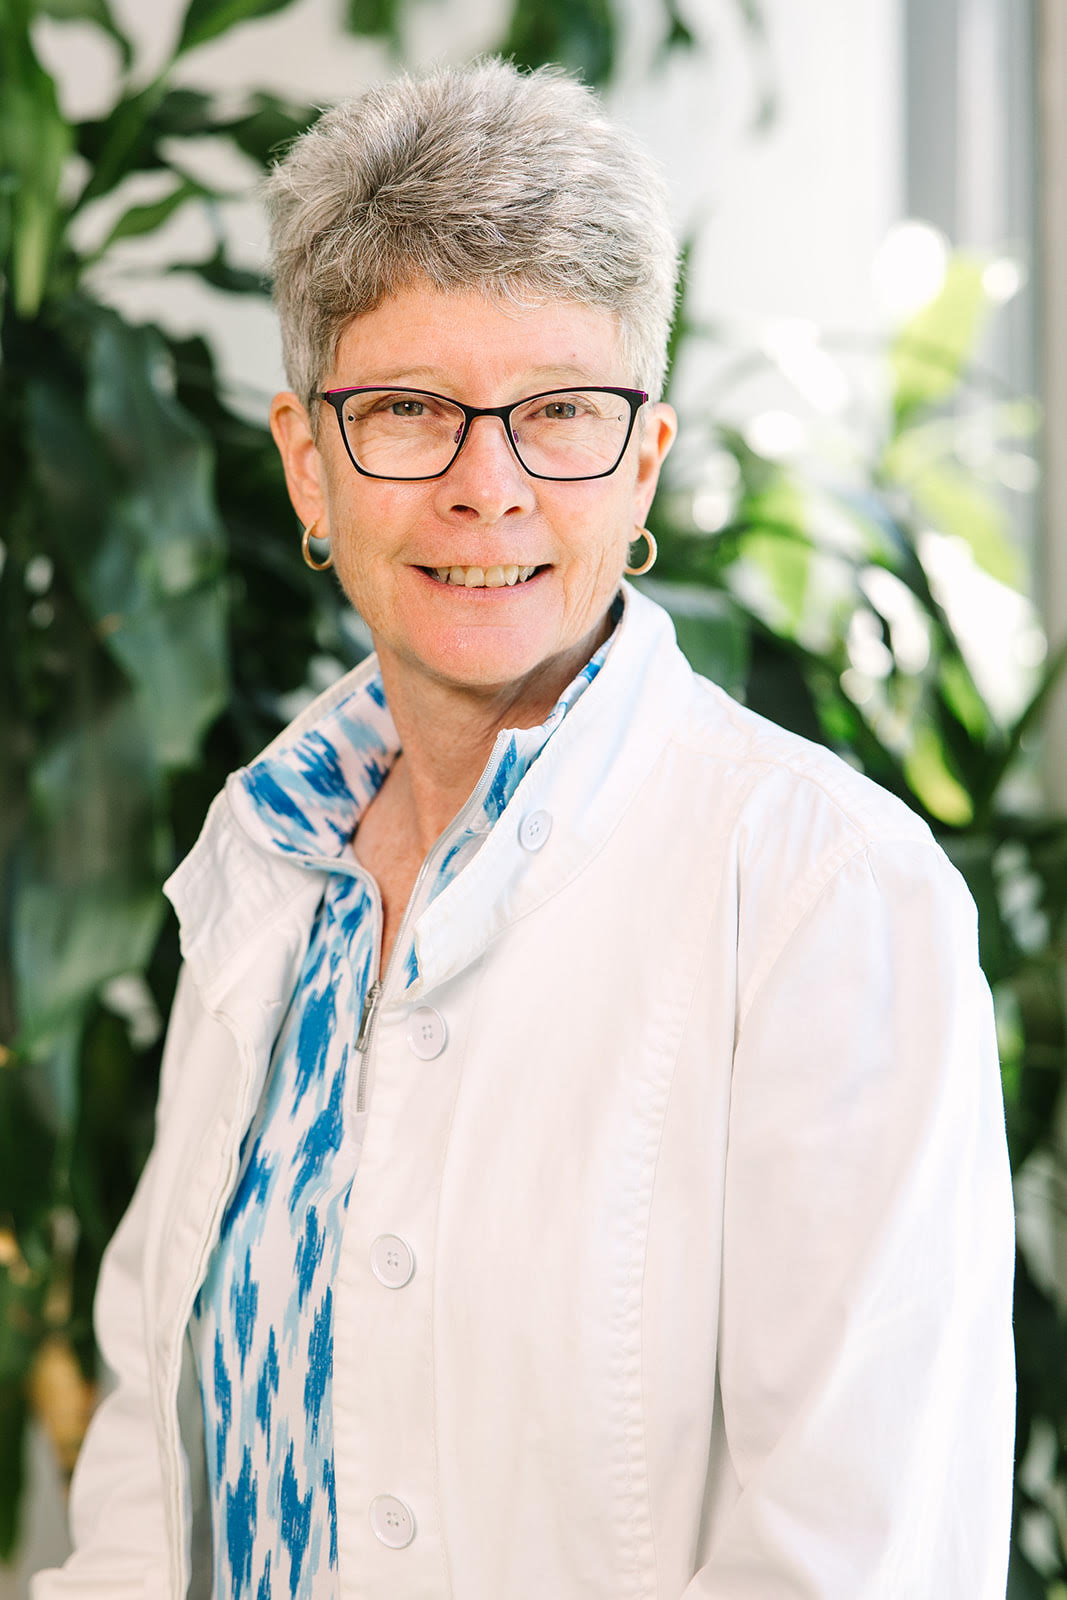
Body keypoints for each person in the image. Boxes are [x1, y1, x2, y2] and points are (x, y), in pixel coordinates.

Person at [33, 56, 1015, 1600]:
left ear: (644, 464)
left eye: (562, 410)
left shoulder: (835, 895)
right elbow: (154, 1488)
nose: (489, 487)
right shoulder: (268, 873)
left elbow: (854, 1562)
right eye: (410, 411)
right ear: (308, 464)